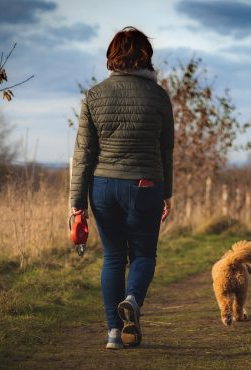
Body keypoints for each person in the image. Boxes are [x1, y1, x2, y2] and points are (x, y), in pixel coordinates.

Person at [69, 26, 174, 350]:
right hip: (145, 185)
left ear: (112, 57)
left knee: (113, 257)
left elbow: (83, 152)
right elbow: (165, 149)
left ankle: (114, 333)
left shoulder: (94, 96)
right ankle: (132, 299)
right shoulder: (158, 96)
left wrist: (77, 202)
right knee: (143, 255)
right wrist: (166, 192)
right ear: (146, 58)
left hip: (102, 188)